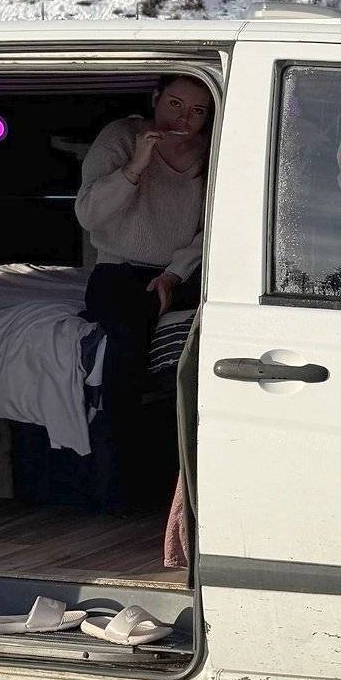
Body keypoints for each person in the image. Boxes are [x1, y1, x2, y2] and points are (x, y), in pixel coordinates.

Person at [75, 76, 214, 496]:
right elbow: (90, 215)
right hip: (118, 269)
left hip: (183, 271)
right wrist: (136, 165)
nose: (183, 118)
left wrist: (174, 274)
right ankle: (118, 481)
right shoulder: (121, 137)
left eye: (197, 111)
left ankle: (183, 480)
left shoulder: (212, 149)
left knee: (195, 349)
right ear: (155, 99)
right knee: (126, 350)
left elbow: (211, 227)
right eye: (174, 104)